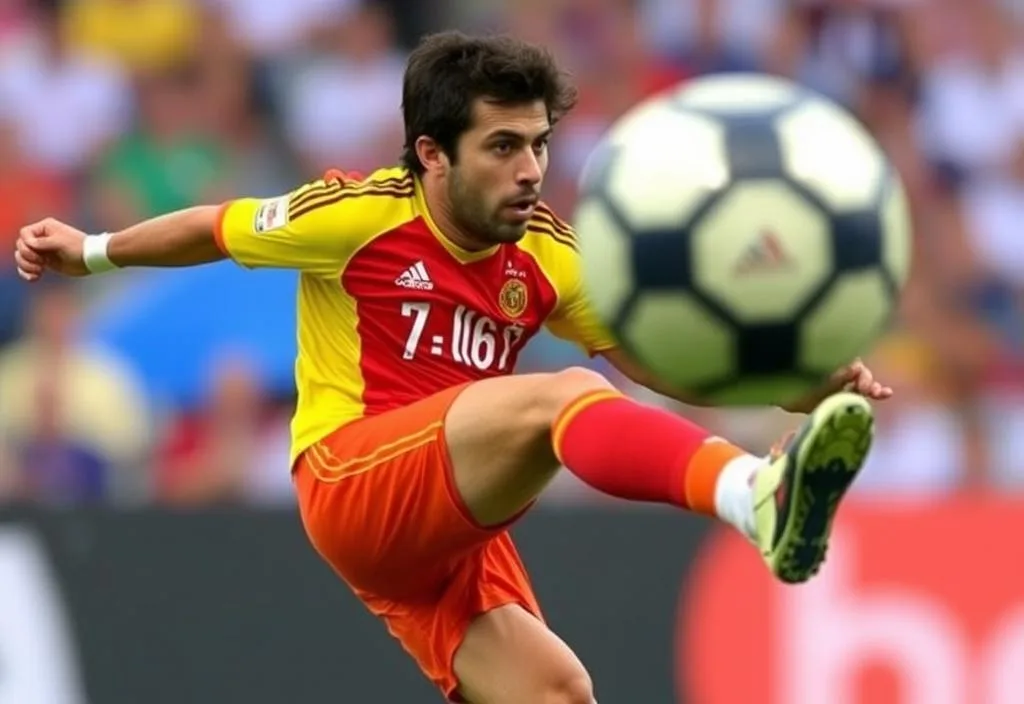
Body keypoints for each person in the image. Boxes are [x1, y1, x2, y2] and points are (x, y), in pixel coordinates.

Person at [14, 31, 891, 704]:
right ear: (433, 153)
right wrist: (89, 250)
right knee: (565, 398)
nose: (531, 171)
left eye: (540, 144)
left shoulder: (548, 255)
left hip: (453, 532)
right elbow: (213, 227)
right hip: (352, 479)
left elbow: (659, 361)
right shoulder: (358, 216)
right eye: (503, 146)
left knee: (559, 692)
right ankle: (753, 495)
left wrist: (793, 384)